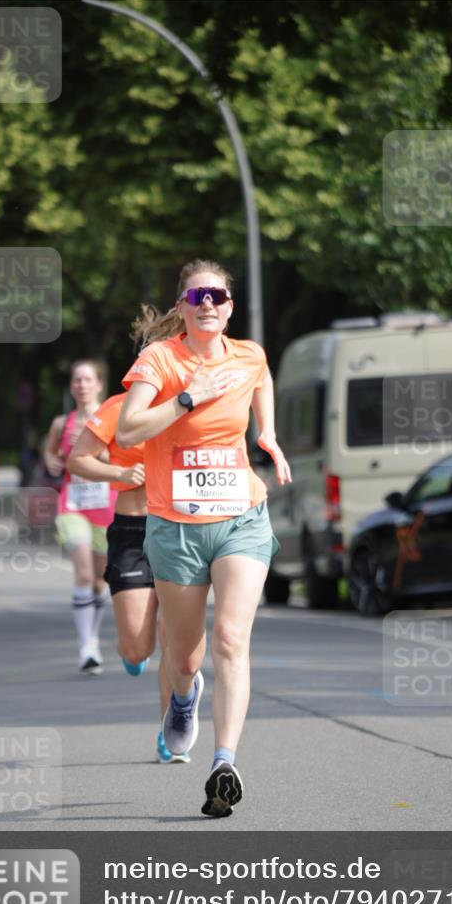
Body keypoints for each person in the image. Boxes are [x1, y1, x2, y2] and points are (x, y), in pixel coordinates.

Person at [116, 259, 291, 817]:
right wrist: (186, 398)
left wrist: (268, 434)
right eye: (197, 297)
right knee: (185, 657)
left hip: (242, 518)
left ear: (230, 306)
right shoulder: (160, 359)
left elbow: (262, 378)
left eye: (217, 295)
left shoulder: (248, 355)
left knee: (231, 640)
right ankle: (183, 697)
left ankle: (224, 763)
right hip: (176, 529)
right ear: (182, 307)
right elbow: (128, 429)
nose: (208, 303)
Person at [68, 393, 190, 763]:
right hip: (132, 531)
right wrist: (118, 474)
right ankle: (131, 649)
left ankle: (170, 732)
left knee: (173, 639)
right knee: (138, 648)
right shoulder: (119, 408)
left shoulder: (191, 402)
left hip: (180, 528)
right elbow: (77, 459)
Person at [43, 360, 116, 675]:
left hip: (106, 505)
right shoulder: (62, 423)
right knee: (84, 574)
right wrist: (52, 461)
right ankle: (87, 646)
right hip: (72, 505)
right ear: (71, 386)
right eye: (77, 380)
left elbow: (126, 456)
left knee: (101, 581)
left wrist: (96, 453)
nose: (82, 385)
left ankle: (93, 636)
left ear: (99, 384)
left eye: (87, 380)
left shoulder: (114, 417)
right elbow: (50, 452)